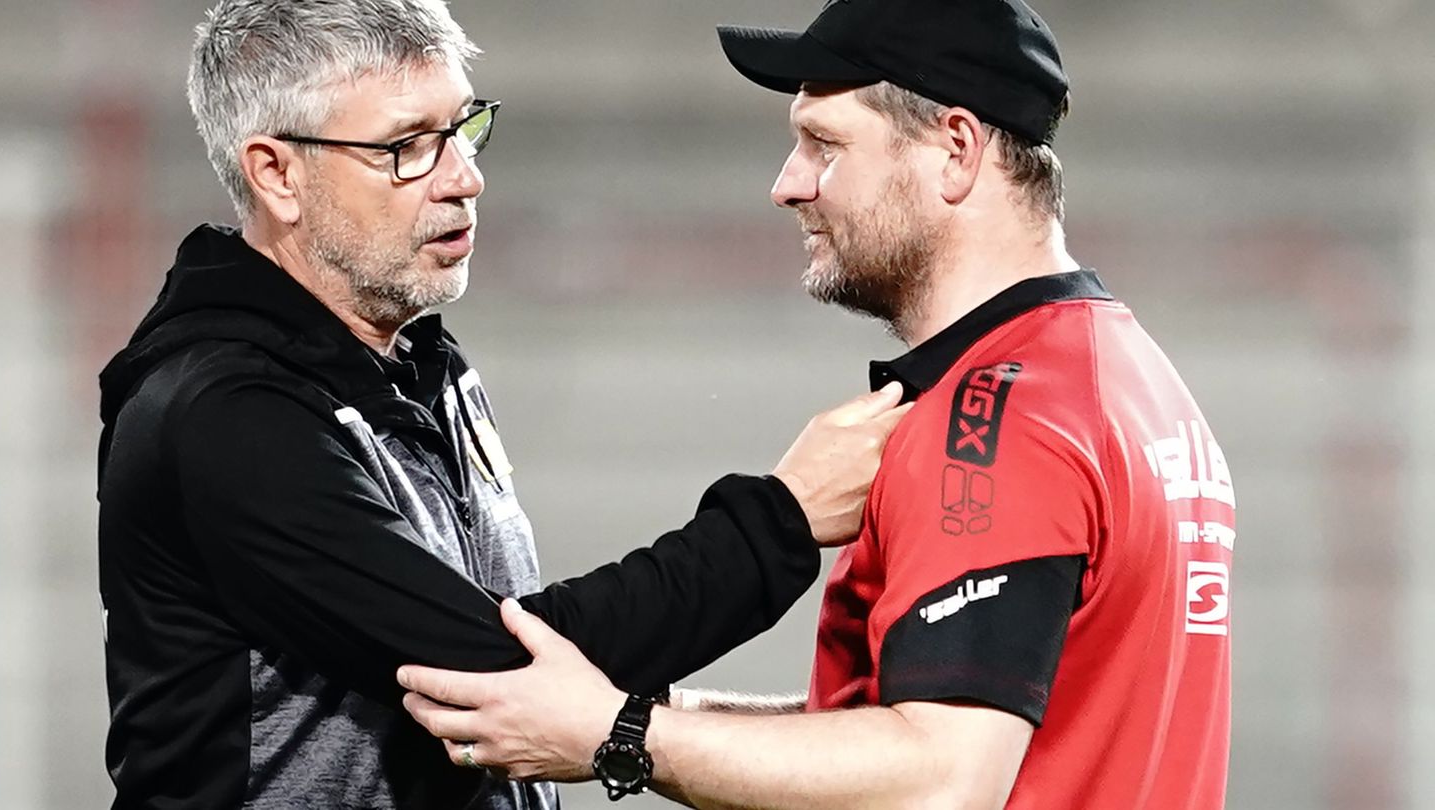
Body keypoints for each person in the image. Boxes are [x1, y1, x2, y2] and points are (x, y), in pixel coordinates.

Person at [398, 0, 1237, 808]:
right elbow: (934, 734)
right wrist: (644, 717)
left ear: (955, 149)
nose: (788, 184)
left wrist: (618, 734)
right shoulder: (1126, 377)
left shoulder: (995, 415)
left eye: (823, 144)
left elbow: (938, 780)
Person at [96, 1, 910, 807]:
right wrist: (781, 520)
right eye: (407, 147)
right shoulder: (219, 413)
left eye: (462, 128)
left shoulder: (418, 366)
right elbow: (498, 676)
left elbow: (544, 690)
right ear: (277, 173)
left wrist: (853, 747)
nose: (464, 177)